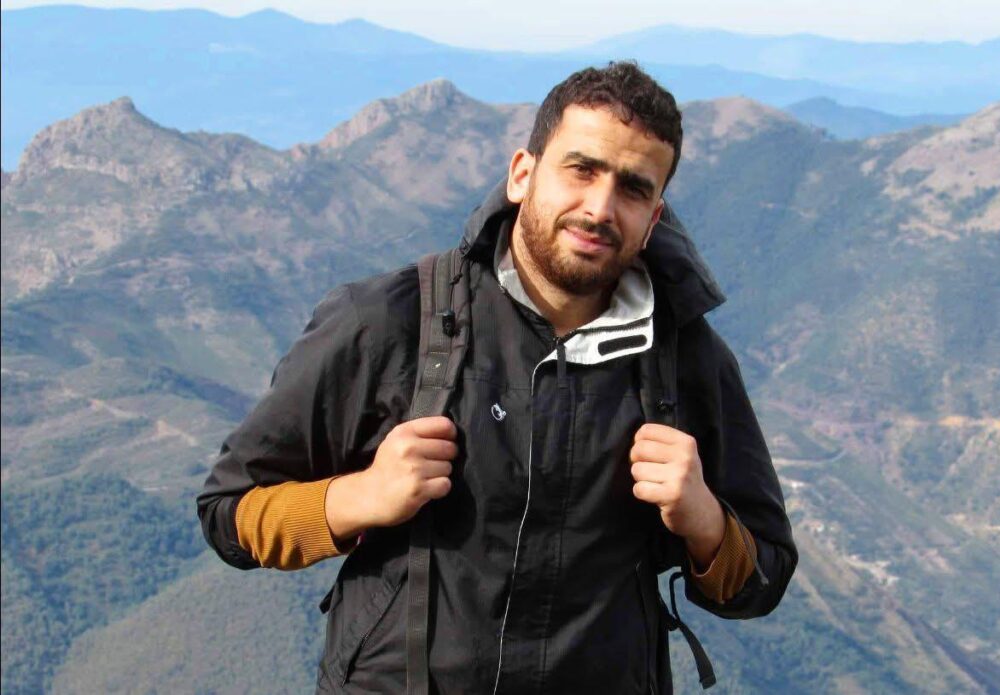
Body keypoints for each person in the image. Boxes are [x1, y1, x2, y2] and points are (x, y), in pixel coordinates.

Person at [197, 61, 797, 694]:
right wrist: (362, 497)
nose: (600, 208)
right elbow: (229, 514)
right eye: (581, 169)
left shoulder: (687, 361)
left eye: (632, 188)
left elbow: (764, 579)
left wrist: (703, 520)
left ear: (653, 218)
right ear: (522, 175)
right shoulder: (390, 323)